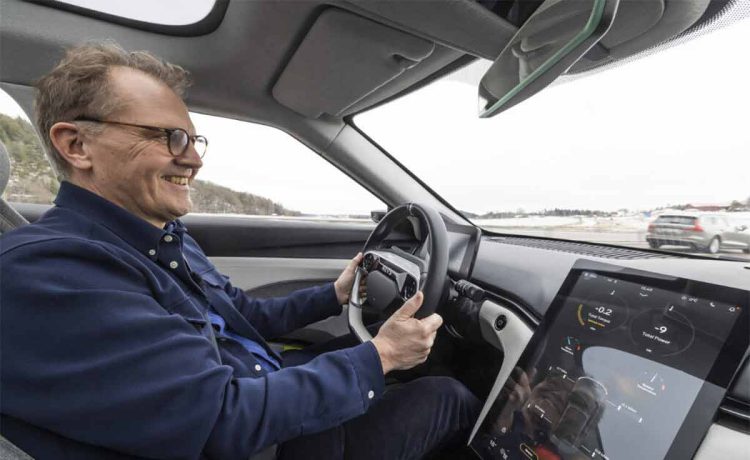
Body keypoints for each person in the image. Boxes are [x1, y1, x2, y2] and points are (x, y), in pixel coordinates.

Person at [0, 43, 480, 459]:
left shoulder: (163, 237)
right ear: (77, 144)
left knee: (406, 358)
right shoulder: (48, 271)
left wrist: (333, 295)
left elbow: (244, 314)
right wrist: (382, 357)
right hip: (258, 443)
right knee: (449, 395)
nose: (193, 157)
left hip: (256, 384)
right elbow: (223, 423)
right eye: (169, 137)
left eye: (192, 138)